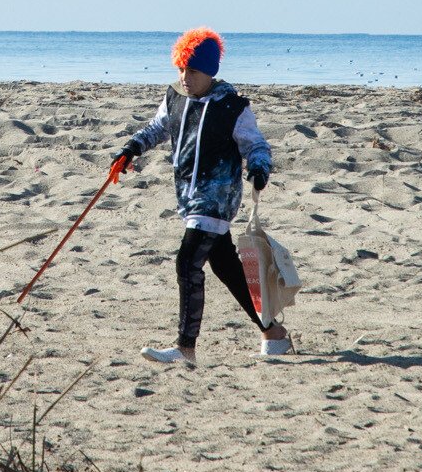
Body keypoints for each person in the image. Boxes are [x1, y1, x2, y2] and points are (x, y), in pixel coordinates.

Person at [117, 29, 292, 366]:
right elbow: (156, 128)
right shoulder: (175, 98)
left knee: (187, 262)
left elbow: (255, 144)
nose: (185, 77)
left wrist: (259, 167)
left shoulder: (232, 106)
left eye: (193, 71)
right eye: (181, 68)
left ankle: (185, 348)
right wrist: (131, 149)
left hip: (217, 197)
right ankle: (273, 332)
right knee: (225, 266)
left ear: (209, 71)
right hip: (189, 195)